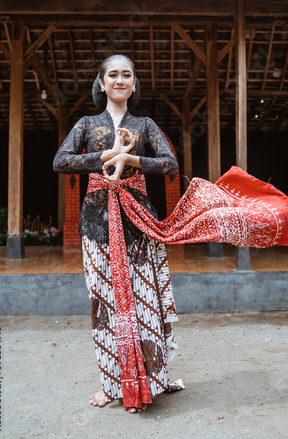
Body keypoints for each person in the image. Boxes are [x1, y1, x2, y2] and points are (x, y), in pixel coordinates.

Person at [53, 54, 183, 413]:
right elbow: (60, 161)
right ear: (101, 82)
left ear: (134, 83)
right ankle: (112, 383)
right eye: (113, 75)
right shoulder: (86, 123)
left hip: (138, 222)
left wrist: (130, 160)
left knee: (144, 299)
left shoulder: (144, 124)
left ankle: (153, 378)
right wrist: (111, 152)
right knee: (104, 303)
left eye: (127, 75)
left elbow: (170, 163)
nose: (120, 80)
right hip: (96, 223)